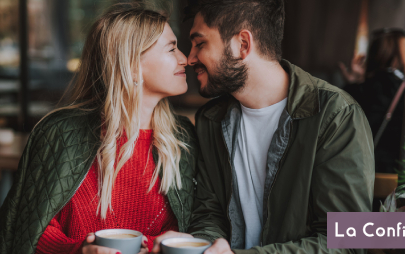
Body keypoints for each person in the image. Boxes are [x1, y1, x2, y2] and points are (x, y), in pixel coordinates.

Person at [152, 0, 375, 253]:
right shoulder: (211, 120)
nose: (190, 58)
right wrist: (200, 245)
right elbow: (209, 214)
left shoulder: (336, 116)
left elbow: (346, 243)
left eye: (200, 44)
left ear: (243, 44)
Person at [0, 5, 198, 254]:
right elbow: (30, 232)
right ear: (132, 64)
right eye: (172, 48)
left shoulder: (182, 138)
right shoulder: (62, 134)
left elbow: (195, 226)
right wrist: (79, 250)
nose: (185, 59)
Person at [344, 28, 405, 174]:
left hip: (358, 170)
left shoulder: (361, 89)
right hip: (395, 172)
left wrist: (353, 83)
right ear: (401, 55)